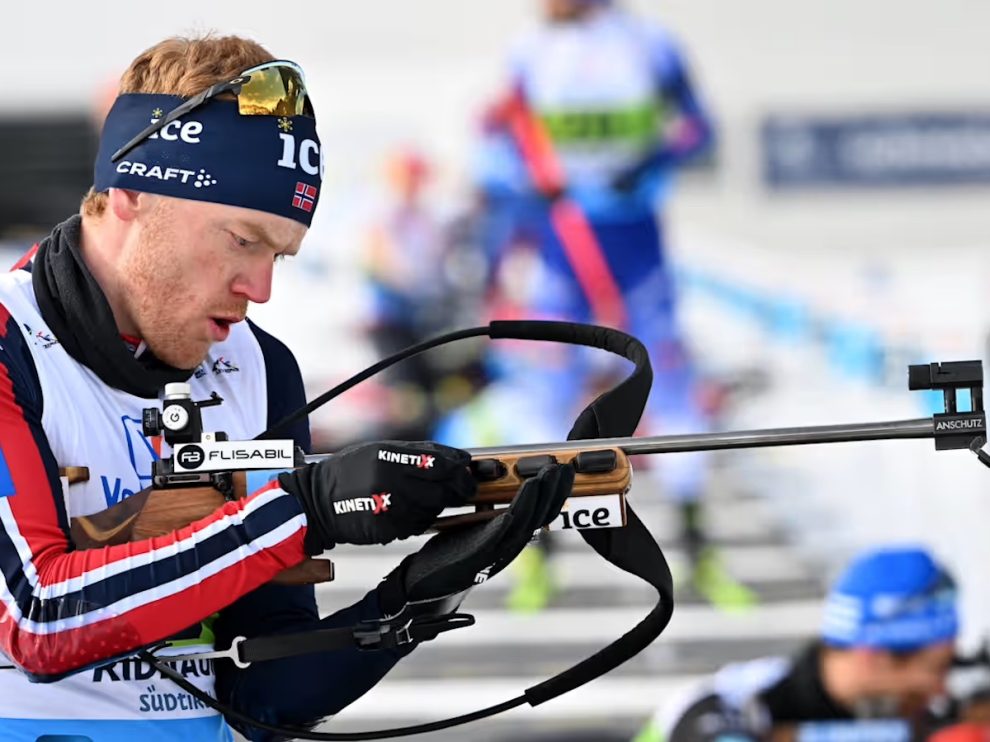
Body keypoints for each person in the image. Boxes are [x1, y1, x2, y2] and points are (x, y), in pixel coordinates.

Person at [0, 35, 574, 741]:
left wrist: (416, 596)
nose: (261, 289)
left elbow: (266, 694)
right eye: (243, 240)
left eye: (280, 253)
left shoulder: (259, 368)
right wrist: (308, 509)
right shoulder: (10, 345)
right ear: (132, 194)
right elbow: (39, 619)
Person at [459, 0, 748, 610]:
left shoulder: (649, 43)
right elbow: (492, 140)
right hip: (561, 253)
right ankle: (534, 556)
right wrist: (523, 178)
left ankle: (699, 551)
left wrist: (645, 166)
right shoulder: (530, 50)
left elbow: (699, 128)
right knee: (544, 397)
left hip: (637, 251)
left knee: (670, 390)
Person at [634, 546, 961, 741]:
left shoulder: (927, 710)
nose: (942, 688)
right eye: (939, 668)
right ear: (873, 656)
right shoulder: (730, 703)